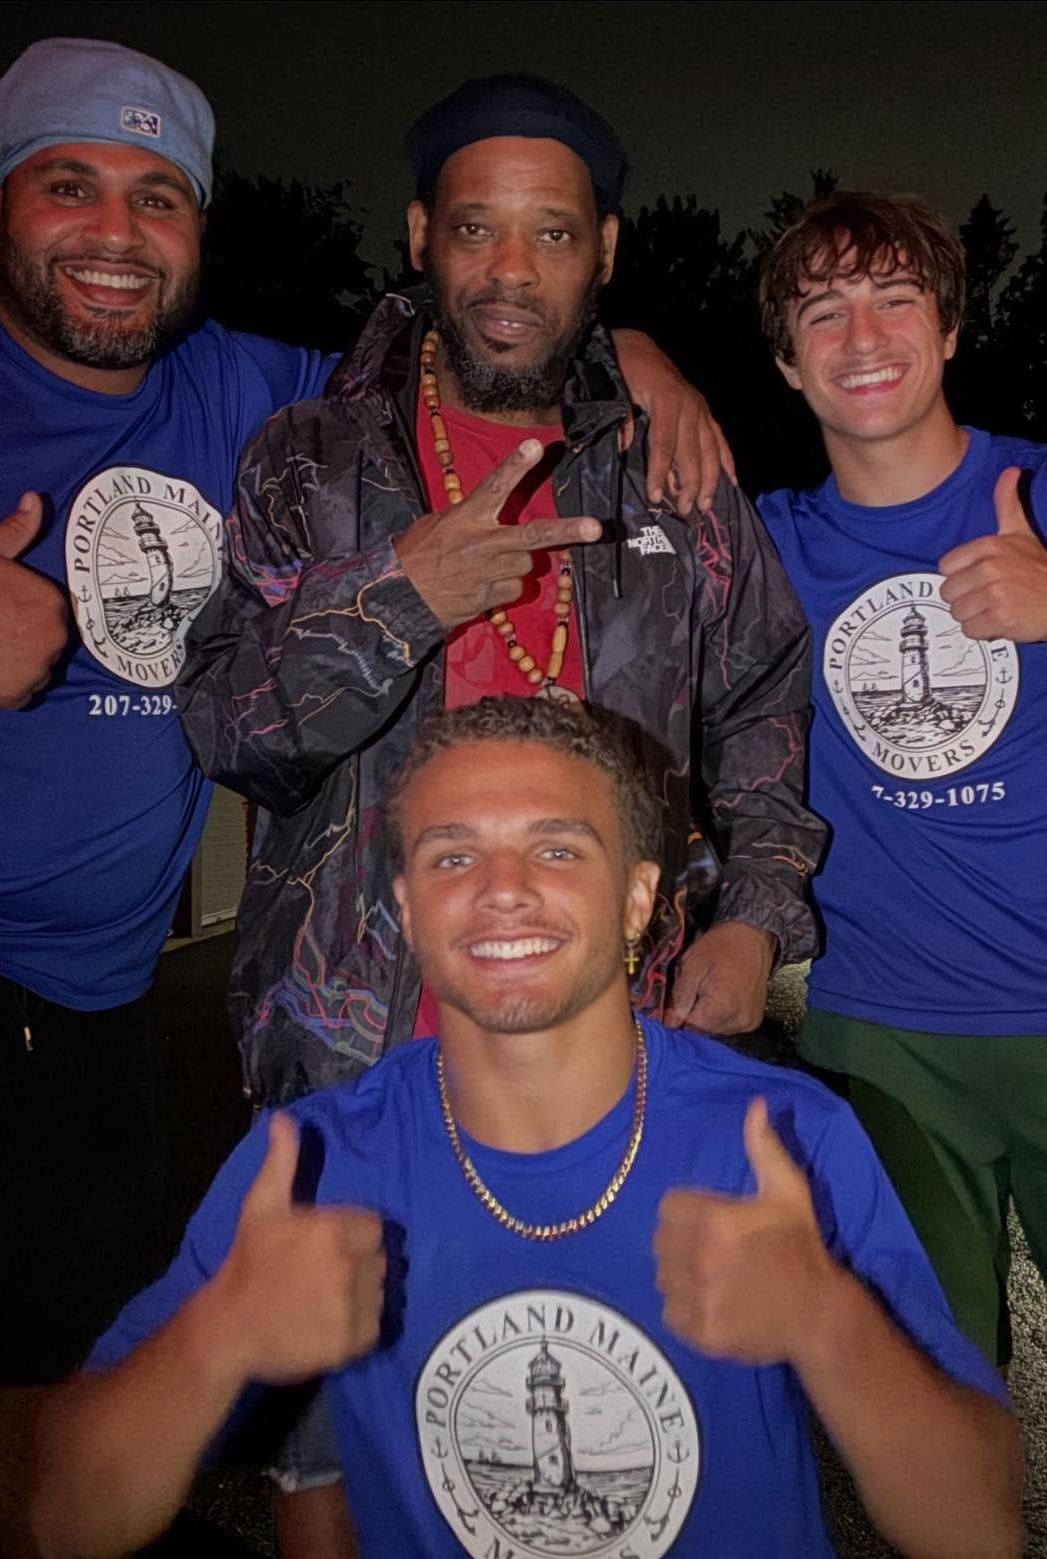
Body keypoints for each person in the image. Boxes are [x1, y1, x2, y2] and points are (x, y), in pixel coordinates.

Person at [0, 38, 722, 1559]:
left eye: (160, 199)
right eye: (72, 187)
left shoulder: (263, 401)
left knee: (45, 1385)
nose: (118, 235)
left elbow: (495, 334)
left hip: (86, 996)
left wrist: (644, 360)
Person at [32, 696, 1024, 1559]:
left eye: (557, 847)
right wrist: (220, 1335)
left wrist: (828, 1321)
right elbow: (66, 1517)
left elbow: (975, 1535)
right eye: (453, 853)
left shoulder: (780, 1139)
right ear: (409, 907)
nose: (503, 887)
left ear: (639, 896)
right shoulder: (320, 1159)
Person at [178, 73, 824, 1108]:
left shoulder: (670, 470)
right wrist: (398, 598)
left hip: (615, 1045)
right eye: (477, 227)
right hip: (355, 1060)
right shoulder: (308, 460)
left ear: (605, 253)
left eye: (554, 237)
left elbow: (762, 701)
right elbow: (224, 729)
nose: (511, 272)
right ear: (422, 233)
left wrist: (754, 915)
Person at [757, 190, 1047, 1559]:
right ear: (786, 362)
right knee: (935, 1450)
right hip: (887, 1045)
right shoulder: (766, 546)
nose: (863, 336)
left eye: (895, 299)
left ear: (951, 327)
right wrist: (643, 358)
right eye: (822, 312)